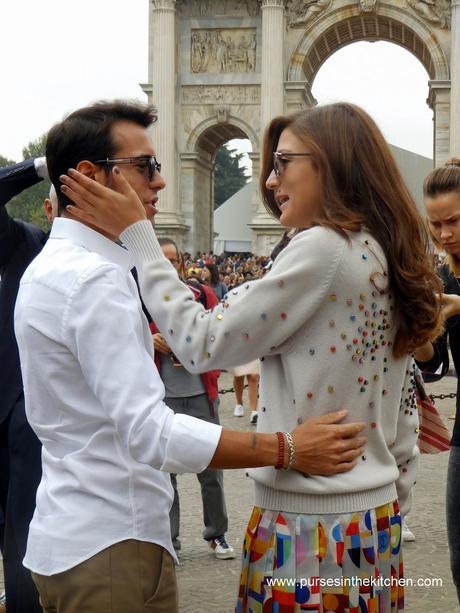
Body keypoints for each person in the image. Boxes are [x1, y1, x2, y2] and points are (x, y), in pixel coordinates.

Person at [62, 101, 442, 612]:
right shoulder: (381, 250)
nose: (268, 179)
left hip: (310, 524)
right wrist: (387, 502)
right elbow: (405, 416)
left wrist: (140, 237)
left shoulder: (324, 249)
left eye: (283, 162)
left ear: (331, 162)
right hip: (371, 522)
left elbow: (198, 341)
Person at [153, 237, 234, 559]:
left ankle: (218, 534)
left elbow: (220, 328)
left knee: (211, 468)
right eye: (163, 260)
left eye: (173, 260)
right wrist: (150, 336)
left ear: (182, 264)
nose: (169, 266)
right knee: (163, 475)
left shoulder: (202, 294)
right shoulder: (140, 296)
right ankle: (168, 541)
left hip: (201, 393)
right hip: (161, 397)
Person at [0, 158, 56, 613]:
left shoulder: (111, 257)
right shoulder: (21, 243)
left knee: (24, 534)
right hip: (9, 408)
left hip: (35, 423)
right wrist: (40, 165)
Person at [413, 158, 460, 602]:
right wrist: (419, 335)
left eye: (454, 221)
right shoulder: (442, 274)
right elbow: (435, 367)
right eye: (435, 224)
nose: (444, 234)